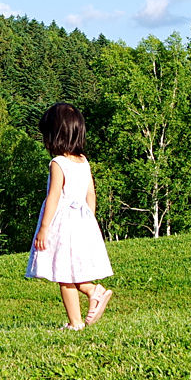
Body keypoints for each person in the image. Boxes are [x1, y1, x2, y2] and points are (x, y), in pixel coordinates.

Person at [26, 102, 115, 330]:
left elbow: (53, 197)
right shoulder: (83, 161)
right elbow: (91, 195)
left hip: (61, 223)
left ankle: (91, 293)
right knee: (70, 271)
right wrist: (89, 223)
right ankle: (77, 318)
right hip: (81, 221)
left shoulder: (58, 163)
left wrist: (44, 229)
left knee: (63, 274)